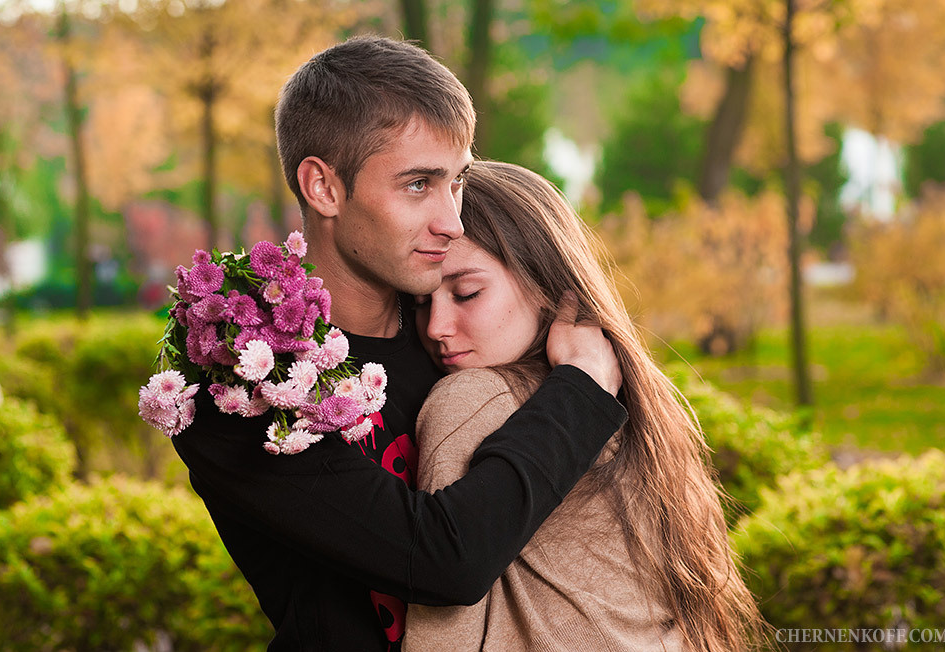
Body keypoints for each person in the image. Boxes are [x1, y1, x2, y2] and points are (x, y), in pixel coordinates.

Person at [170, 36, 626, 651]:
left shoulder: (450, 330)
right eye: (418, 185)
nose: (452, 220)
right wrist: (581, 393)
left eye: (456, 181)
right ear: (323, 188)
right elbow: (442, 561)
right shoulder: (237, 366)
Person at [404, 161, 767, 652]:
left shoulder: (471, 398)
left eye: (466, 293)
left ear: (546, 284)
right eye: (423, 302)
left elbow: (443, 626)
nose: (436, 327)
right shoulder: (630, 400)